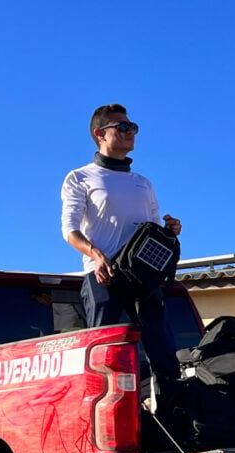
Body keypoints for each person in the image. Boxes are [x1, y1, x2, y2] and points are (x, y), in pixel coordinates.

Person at [60, 104, 182, 411]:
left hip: (145, 277)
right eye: (123, 127)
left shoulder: (143, 182)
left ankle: (174, 417)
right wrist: (95, 255)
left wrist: (171, 229)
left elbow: (154, 228)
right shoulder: (80, 177)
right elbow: (69, 230)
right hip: (104, 275)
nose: (131, 132)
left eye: (133, 127)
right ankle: (98, 419)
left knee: (163, 352)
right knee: (104, 355)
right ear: (99, 134)